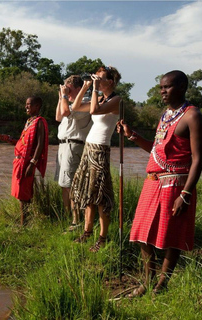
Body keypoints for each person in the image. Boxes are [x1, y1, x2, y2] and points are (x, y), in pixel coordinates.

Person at [117, 70, 202, 296]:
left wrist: (185, 194)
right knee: (141, 233)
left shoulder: (192, 116)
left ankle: (161, 285)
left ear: (183, 87)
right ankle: (147, 281)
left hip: (176, 185)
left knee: (171, 236)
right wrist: (133, 135)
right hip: (152, 182)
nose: (162, 92)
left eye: (167, 87)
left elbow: (198, 160)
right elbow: (155, 150)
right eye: (160, 88)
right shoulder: (166, 115)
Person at [69, 66, 123, 252]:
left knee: (100, 195)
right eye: (96, 78)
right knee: (88, 193)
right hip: (88, 149)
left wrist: (93, 88)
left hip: (100, 150)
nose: (97, 81)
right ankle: (87, 232)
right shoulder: (99, 97)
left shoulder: (116, 100)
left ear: (110, 82)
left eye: (100, 78)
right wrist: (85, 87)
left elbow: (94, 111)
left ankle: (103, 237)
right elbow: (75, 107)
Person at [0, 96, 49, 226]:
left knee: (24, 195)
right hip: (19, 162)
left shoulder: (39, 122)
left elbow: (40, 144)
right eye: (26, 104)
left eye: (29, 105)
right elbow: (22, 143)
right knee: (20, 194)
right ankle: (25, 222)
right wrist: (9, 139)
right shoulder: (28, 122)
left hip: (27, 163)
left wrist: (32, 163)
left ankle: (24, 224)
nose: (26, 107)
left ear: (37, 106)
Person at [55, 75, 92, 230]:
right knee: (64, 184)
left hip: (74, 145)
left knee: (72, 185)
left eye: (69, 89)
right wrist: (60, 96)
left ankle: (76, 221)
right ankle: (67, 217)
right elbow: (58, 117)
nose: (67, 92)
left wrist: (64, 96)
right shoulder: (68, 104)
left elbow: (64, 113)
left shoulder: (85, 103)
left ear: (78, 88)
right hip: (63, 146)